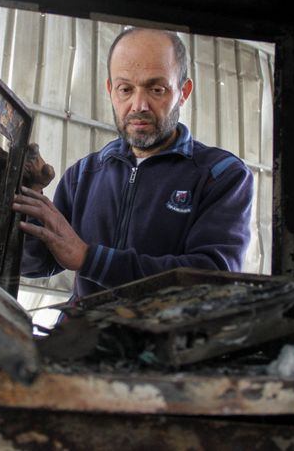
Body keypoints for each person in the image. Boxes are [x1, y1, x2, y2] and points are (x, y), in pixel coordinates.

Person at [13, 27, 253, 300]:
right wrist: (28, 204)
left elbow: (212, 280)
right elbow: (37, 264)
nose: (139, 104)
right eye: (125, 89)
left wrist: (90, 259)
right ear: (111, 91)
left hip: (164, 340)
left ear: (183, 91)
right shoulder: (83, 175)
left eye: (156, 89)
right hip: (82, 338)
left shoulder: (221, 176)